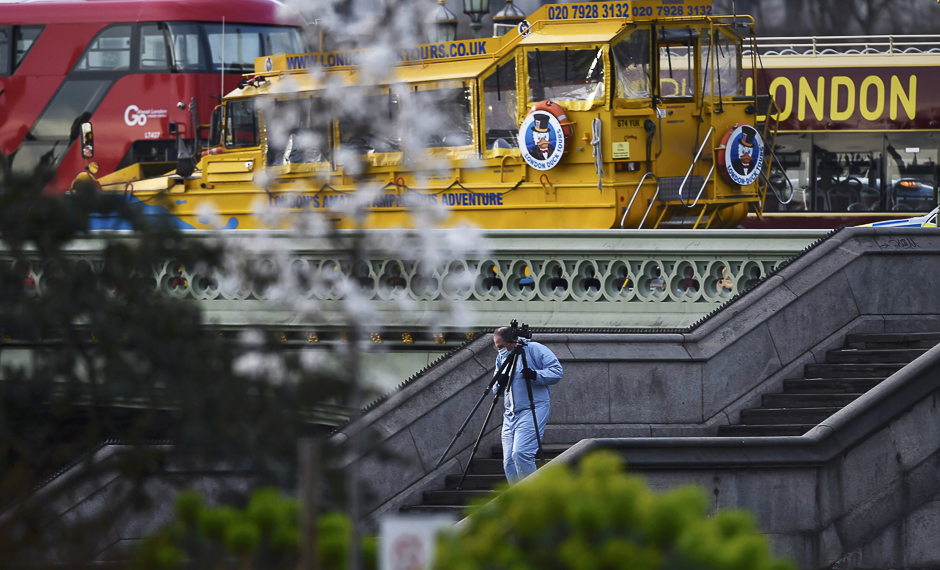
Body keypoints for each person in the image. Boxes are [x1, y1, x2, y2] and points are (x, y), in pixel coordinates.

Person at [493, 326, 563, 483]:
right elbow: (495, 388)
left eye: (501, 346)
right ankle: (518, 498)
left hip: (533, 408)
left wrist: (535, 374)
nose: (500, 350)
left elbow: (557, 371)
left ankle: (533, 495)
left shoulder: (535, 349)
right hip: (510, 413)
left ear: (512, 341)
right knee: (509, 461)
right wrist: (499, 383)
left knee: (521, 453)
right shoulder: (502, 358)